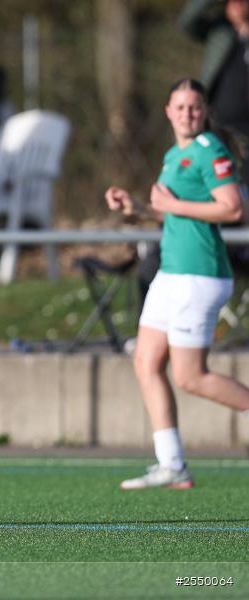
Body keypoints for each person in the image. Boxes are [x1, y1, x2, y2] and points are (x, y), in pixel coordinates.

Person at [105, 79, 249, 489]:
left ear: (205, 112)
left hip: (198, 275)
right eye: (180, 107)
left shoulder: (211, 151)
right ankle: (171, 464)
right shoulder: (174, 155)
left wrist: (171, 204)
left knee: (190, 376)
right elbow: (174, 214)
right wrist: (137, 207)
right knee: (146, 362)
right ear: (168, 111)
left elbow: (232, 209)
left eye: (194, 107)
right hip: (171, 273)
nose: (187, 114)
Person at [179, 0, 249, 185]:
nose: (237, 5)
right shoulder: (220, 31)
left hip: (246, 132)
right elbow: (187, 21)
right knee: (213, 183)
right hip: (216, 125)